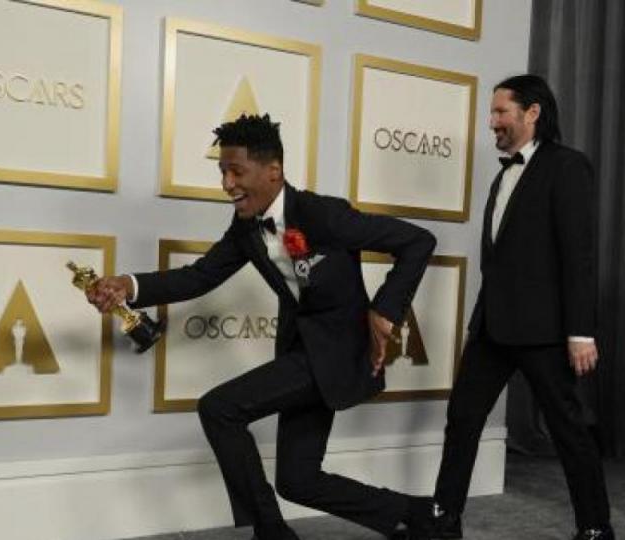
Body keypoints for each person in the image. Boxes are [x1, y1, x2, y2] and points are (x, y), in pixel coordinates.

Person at [86, 114, 437, 540]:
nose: (227, 184)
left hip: (338, 353)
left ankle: (271, 532)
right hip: (301, 352)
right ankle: (418, 513)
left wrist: (385, 310)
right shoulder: (247, 228)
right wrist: (128, 286)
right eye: (222, 172)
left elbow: (418, 241)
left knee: (220, 408)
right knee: (298, 480)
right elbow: (199, 276)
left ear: (274, 171)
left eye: (236, 171)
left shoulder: (324, 214)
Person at [429, 74, 614, 540]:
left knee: (568, 429)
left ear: (532, 113)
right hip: (493, 327)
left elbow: (578, 254)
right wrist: (479, 320)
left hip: (545, 330)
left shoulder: (568, 166)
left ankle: (596, 529)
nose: (492, 121)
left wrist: (580, 332)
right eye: (492, 113)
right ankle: (445, 520)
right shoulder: (504, 172)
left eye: (500, 112)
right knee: (463, 418)